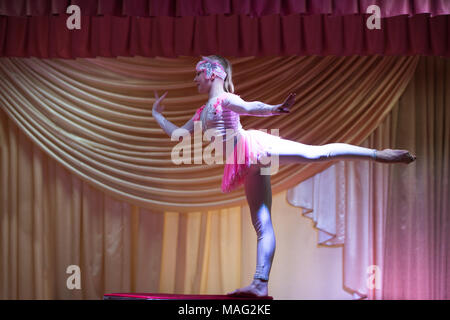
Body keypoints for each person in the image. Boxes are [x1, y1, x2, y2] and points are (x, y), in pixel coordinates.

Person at [152, 55, 416, 297]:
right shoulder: (203, 112)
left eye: (197, 73)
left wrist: (275, 109)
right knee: (261, 222)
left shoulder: (225, 101)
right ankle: (259, 284)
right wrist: (157, 115)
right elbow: (178, 134)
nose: (194, 79)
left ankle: (378, 154)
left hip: (254, 149)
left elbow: (249, 107)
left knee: (316, 155)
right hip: (244, 163)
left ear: (213, 73)